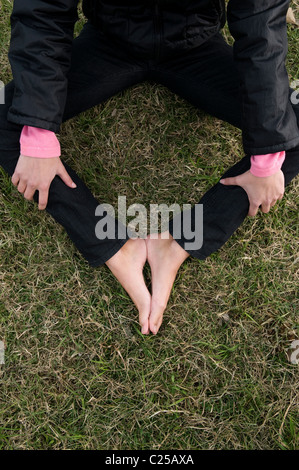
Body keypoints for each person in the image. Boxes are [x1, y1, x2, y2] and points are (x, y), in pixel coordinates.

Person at [0, 0, 298, 335]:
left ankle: (178, 241)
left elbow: (261, 24)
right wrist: (38, 136)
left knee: (289, 129)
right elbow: (44, 9)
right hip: (109, 41)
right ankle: (115, 245)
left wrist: (266, 157)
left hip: (196, 45)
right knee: (11, 115)